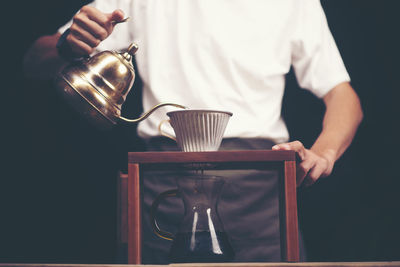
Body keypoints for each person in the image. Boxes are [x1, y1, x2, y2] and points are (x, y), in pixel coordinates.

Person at [24, 0, 363, 263]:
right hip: (164, 187)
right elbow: (32, 63)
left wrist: (325, 152)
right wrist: (68, 45)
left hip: (261, 189)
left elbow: (343, 95)